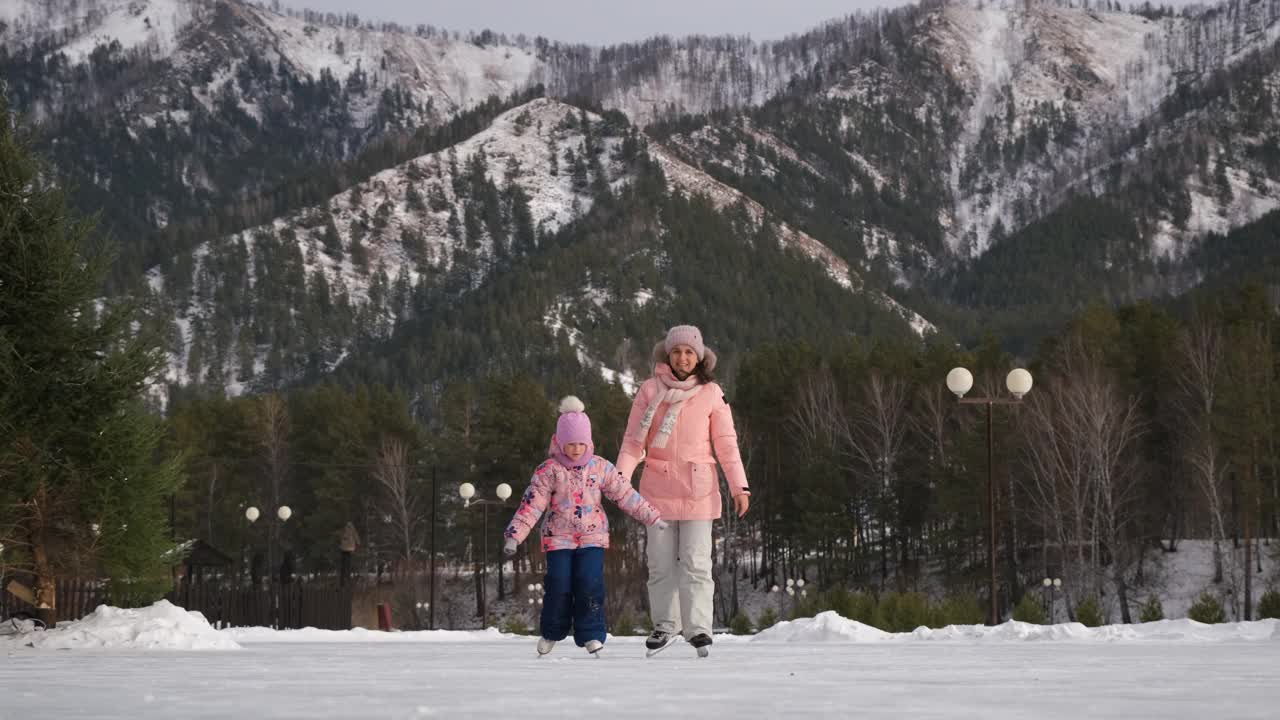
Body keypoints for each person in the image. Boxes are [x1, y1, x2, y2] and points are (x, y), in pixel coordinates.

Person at [615, 325, 750, 657]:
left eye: (689, 352)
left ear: (700, 357)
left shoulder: (711, 394)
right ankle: (666, 624)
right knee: (660, 564)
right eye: (677, 351)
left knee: (696, 563)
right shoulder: (649, 391)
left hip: (698, 490)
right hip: (657, 490)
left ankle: (699, 628)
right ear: (667, 354)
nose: (683, 357)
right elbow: (633, 443)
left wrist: (739, 486)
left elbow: (726, 444)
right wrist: (620, 481)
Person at [503, 395, 667, 656]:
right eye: (570, 444)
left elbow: (625, 494)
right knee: (559, 584)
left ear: (588, 442)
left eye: (581, 443)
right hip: (558, 537)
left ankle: (591, 634)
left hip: (592, 537)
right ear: (559, 442)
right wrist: (515, 535)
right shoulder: (549, 470)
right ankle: (551, 632)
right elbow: (532, 505)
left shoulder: (600, 467)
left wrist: (652, 517)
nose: (576, 449)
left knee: (589, 583)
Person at [338, 521, 360, 586]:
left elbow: (340, 538)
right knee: (348, 564)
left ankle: (343, 581)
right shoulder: (353, 531)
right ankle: (347, 578)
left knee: (343, 564)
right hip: (350, 549)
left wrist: (341, 544)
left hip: (343, 549)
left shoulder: (344, 531)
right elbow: (357, 538)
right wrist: (358, 543)